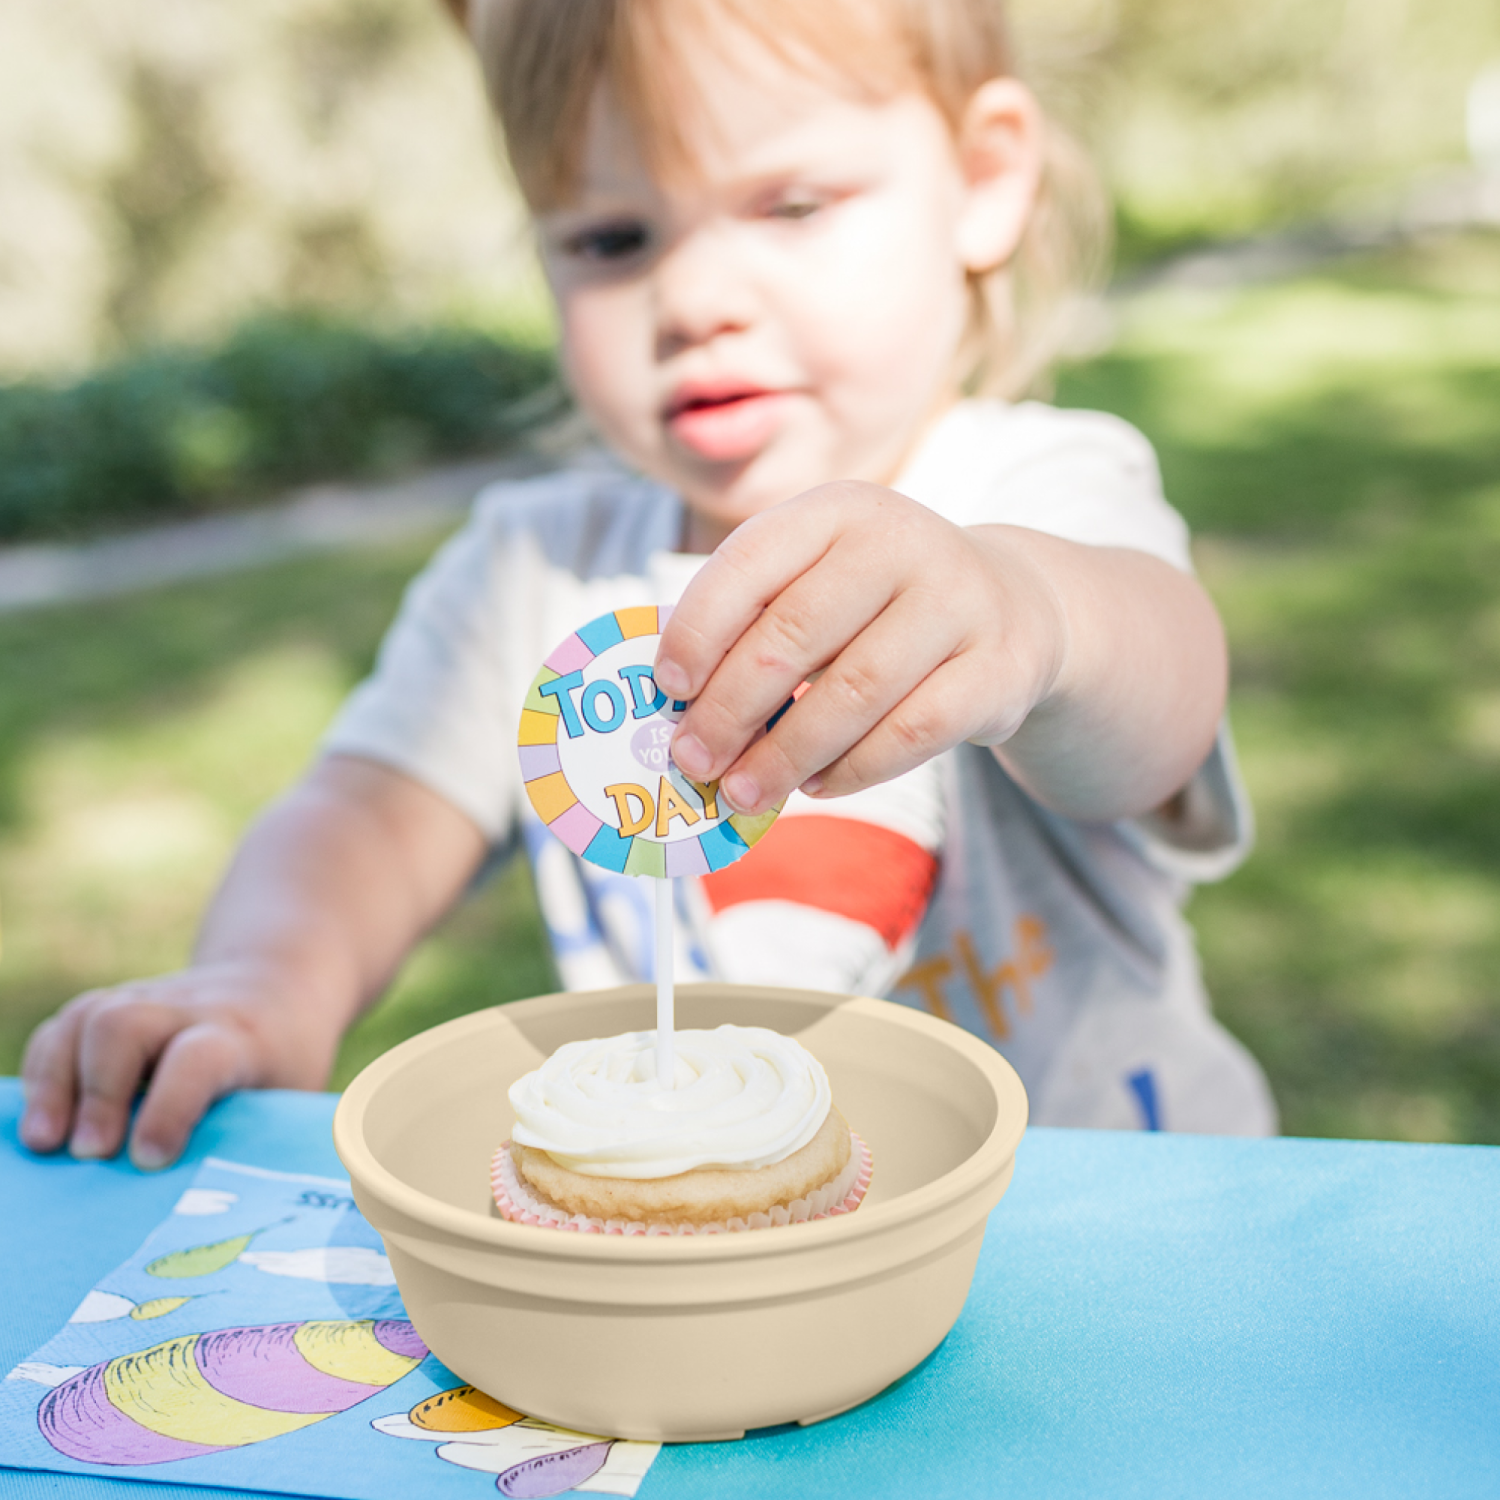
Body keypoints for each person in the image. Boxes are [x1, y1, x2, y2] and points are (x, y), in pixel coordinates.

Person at [19, 0, 1275, 1171]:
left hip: (1112, 1236)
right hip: (717, 1260)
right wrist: (266, 981)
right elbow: (367, 815)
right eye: (612, 238)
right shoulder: (535, 567)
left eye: (790, 203)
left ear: (985, 180)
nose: (692, 298)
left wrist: (1031, 617)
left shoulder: (1030, 493)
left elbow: (1153, 723)